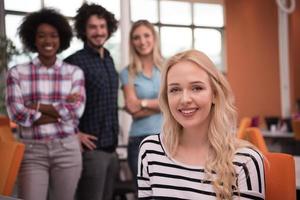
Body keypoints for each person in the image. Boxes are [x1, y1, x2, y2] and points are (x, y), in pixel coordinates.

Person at [137, 50, 265, 199]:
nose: (184, 99)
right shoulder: (150, 151)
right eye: (175, 89)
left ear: (215, 95)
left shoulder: (245, 161)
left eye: (196, 88)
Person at [5, 8, 86, 200]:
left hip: (67, 149)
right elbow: (17, 115)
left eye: (53, 35)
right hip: (32, 151)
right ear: (33, 39)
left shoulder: (74, 73)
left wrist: (37, 106)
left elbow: (76, 112)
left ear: (61, 39)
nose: (48, 41)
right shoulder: (17, 73)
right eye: (41, 35)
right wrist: (61, 110)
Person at [64, 3, 119, 200]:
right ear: (83, 30)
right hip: (91, 151)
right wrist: (74, 133)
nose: (99, 32)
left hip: (112, 149)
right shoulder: (74, 62)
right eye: (93, 27)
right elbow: (58, 103)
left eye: (102, 27)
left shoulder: (109, 59)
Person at [120, 20, 163, 183]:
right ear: (132, 42)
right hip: (139, 142)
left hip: (170, 139)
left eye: (146, 35)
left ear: (154, 38)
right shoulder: (127, 73)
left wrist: (143, 103)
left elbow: (175, 103)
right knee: (144, 194)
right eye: (136, 37)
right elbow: (133, 110)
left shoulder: (168, 67)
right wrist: (163, 105)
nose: (142, 41)